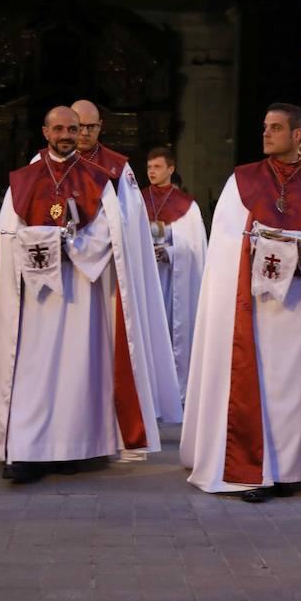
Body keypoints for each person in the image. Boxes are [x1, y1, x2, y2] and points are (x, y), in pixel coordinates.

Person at [179, 103, 301, 503]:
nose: (266, 133)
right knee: (261, 388)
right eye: (265, 126)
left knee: (297, 390)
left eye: (276, 128)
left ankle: (298, 468)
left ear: (298, 135)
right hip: (254, 312)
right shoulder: (242, 181)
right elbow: (225, 245)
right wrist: (255, 247)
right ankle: (260, 469)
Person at [0, 107, 164, 483]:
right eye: (59, 128)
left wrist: (71, 245)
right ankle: (25, 450)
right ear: (45, 132)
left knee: (78, 370)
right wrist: (41, 242)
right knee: (31, 369)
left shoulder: (98, 180)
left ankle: (74, 448)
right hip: (35, 298)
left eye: (73, 129)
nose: (66, 134)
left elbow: (110, 234)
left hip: (81, 292)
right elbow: (7, 234)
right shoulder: (23, 179)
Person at [70, 99, 182, 423]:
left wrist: (96, 242)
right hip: (62, 274)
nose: (84, 133)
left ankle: (104, 413)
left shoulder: (118, 168)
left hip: (106, 275)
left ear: (101, 127)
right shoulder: (46, 165)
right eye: (79, 126)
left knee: (102, 346)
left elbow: (132, 223)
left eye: (91, 126)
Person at [143, 147, 206, 403]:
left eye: (157, 167)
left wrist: (170, 252)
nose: (152, 172)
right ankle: (147, 387)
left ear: (171, 169)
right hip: (145, 277)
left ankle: (173, 388)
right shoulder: (137, 200)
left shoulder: (187, 206)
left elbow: (195, 247)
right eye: (149, 167)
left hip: (172, 278)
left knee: (171, 330)